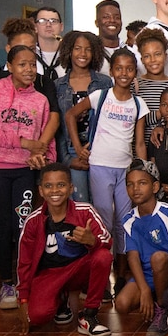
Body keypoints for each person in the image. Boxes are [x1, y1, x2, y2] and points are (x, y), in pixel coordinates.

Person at [0, 44, 57, 310]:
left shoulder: (41, 100)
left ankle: (26, 280)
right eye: (22, 64)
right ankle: (6, 282)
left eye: (32, 64)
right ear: (9, 66)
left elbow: (47, 140)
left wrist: (44, 160)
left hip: (25, 171)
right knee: (4, 226)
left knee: (24, 226)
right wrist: (23, 143)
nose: (29, 70)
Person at [66, 48, 147, 277]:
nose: (124, 73)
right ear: (111, 71)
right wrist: (79, 147)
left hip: (126, 169)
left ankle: (120, 273)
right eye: (119, 68)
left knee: (124, 221)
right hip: (100, 166)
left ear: (134, 73)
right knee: (103, 221)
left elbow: (139, 143)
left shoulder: (138, 104)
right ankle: (101, 272)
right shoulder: (99, 96)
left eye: (129, 69)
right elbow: (70, 115)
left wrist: (143, 170)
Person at [15, 163, 112, 336]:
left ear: (70, 188)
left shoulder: (85, 211)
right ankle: (60, 300)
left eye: (61, 185)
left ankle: (88, 316)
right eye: (48, 186)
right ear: (41, 190)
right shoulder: (33, 221)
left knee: (103, 256)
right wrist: (23, 299)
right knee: (37, 316)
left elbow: (107, 240)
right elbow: (24, 263)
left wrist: (93, 241)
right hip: (50, 274)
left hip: (78, 269)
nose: (55, 191)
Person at [115, 160, 168, 336]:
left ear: (155, 187)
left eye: (142, 183)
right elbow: (132, 257)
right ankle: (155, 295)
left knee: (158, 258)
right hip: (148, 272)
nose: (135, 189)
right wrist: (144, 289)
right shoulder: (129, 220)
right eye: (130, 185)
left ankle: (162, 308)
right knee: (121, 304)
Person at [53, 30, 109, 202]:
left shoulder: (105, 82)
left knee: (102, 206)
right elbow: (58, 129)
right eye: (77, 48)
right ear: (69, 51)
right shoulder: (58, 85)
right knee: (79, 203)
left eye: (88, 49)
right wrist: (69, 160)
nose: (83, 54)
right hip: (72, 151)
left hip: (101, 150)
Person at [133, 29, 168, 129]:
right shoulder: (135, 86)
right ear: (142, 60)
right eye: (147, 56)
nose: (153, 60)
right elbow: (130, 120)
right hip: (141, 144)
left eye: (157, 54)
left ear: (165, 56)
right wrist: (160, 113)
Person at [32, 6, 64, 73]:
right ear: (35, 27)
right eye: (42, 21)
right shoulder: (26, 53)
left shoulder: (71, 53)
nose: (48, 25)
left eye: (53, 21)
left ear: (61, 27)